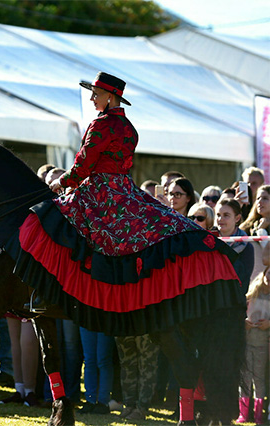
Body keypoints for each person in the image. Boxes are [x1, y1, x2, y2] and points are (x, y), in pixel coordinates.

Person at [14, 71, 242, 423]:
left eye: (95, 94)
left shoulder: (101, 124)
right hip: (125, 190)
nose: (92, 99)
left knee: (48, 221)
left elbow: (86, 162)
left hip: (100, 191)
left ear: (108, 96)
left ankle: (48, 295)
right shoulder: (129, 127)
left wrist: (65, 182)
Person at [237, 267, 270, 425]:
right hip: (247, 342)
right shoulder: (252, 293)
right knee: (245, 378)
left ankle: (258, 415)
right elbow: (239, 314)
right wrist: (243, 322)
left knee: (259, 379)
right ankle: (243, 414)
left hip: (263, 344)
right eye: (269, 273)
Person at [115, 334, 160, 420]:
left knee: (147, 364)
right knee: (127, 363)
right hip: (125, 325)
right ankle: (129, 405)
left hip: (146, 325)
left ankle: (142, 408)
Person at [216, 198, 255, 295]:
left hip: (234, 302)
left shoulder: (246, 246)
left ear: (237, 218)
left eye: (226, 215)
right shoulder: (208, 240)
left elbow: (243, 280)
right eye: (218, 215)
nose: (220, 219)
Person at [241, 184, 270, 280]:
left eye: (265, 198)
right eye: (258, 198)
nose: (260, 202)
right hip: (251, 279)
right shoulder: (248, 226)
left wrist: (261, 231)